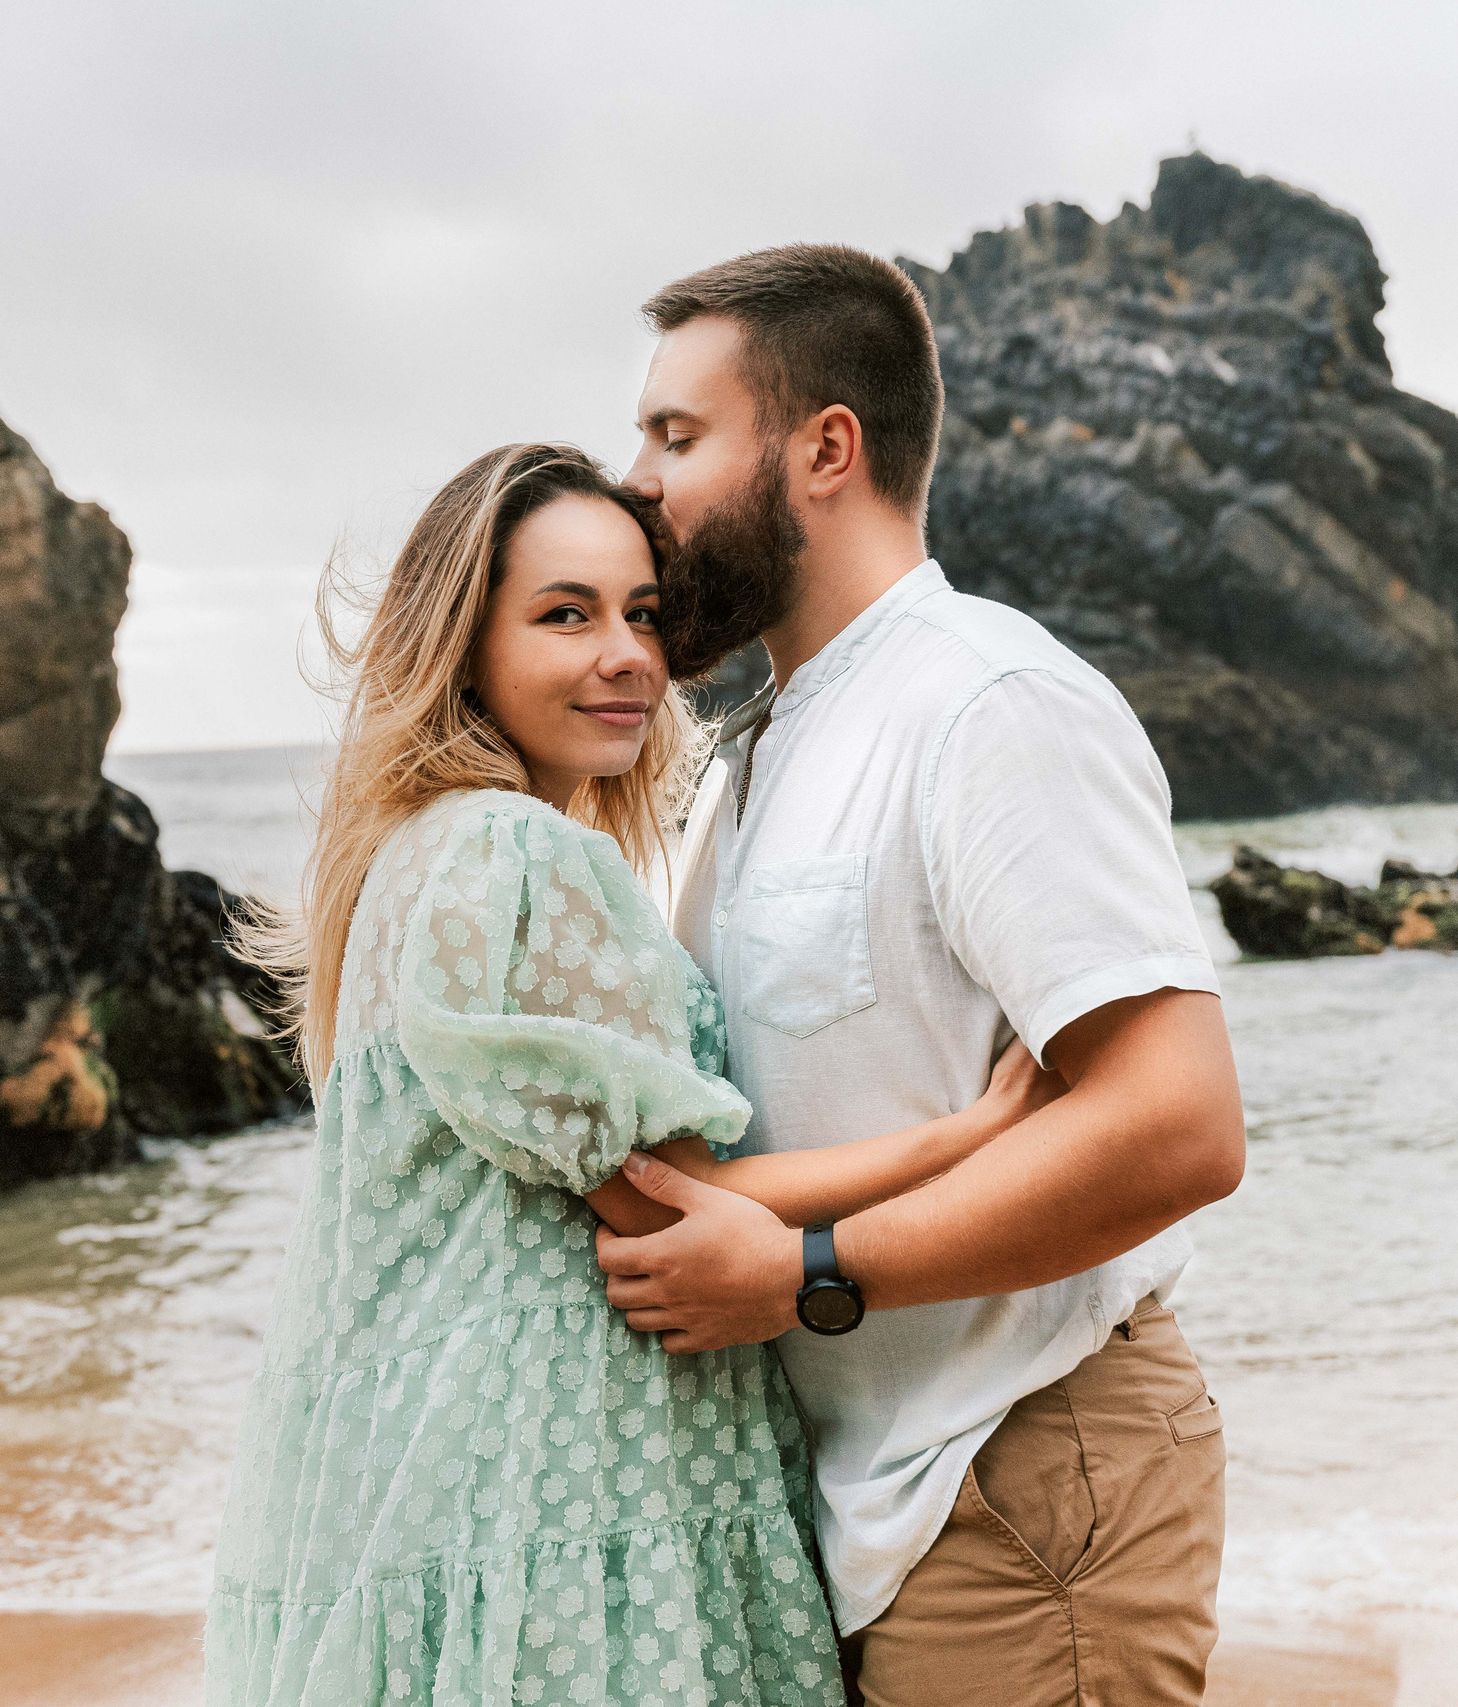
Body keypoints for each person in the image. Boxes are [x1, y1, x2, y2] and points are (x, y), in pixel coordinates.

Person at [206, 442, 1070, 1706]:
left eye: (644, 615)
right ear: (463, 641)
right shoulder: (519, 852)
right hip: (580, 1464)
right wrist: (969, 1136)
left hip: (419, 1461)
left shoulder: (403, 863)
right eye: (566, 615)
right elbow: (673, 1200)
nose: (626, 655)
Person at [595, 246, 1248, 1707]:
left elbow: (1180, 1123)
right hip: (852, 1507)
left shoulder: (985, 701)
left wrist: (812, 1276)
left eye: (677, 436)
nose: (634, 480)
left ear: (824, 448)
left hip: (1020, 1481)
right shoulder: (745, 749)